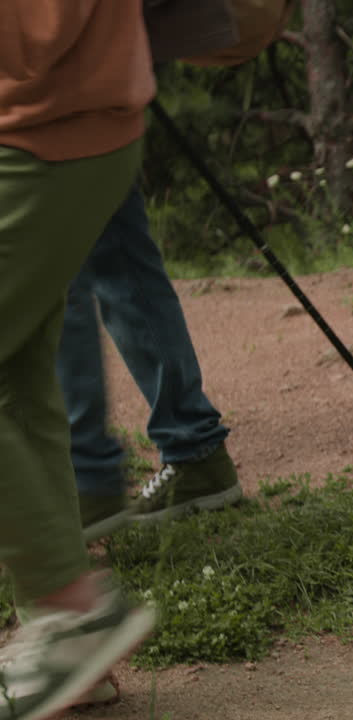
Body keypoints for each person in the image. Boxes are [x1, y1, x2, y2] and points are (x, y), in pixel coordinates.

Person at [0, 3, 159, 718]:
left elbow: (39, 22)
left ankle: (74, 609)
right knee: (13, 378)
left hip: (42, 134)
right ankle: (65, 643)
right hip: (48, 127)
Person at [63, 183, 242, 543]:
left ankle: (85, 481)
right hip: (103, 133)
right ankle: (194, 450)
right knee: (118, 254)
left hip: (44, 136)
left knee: (52, 261)